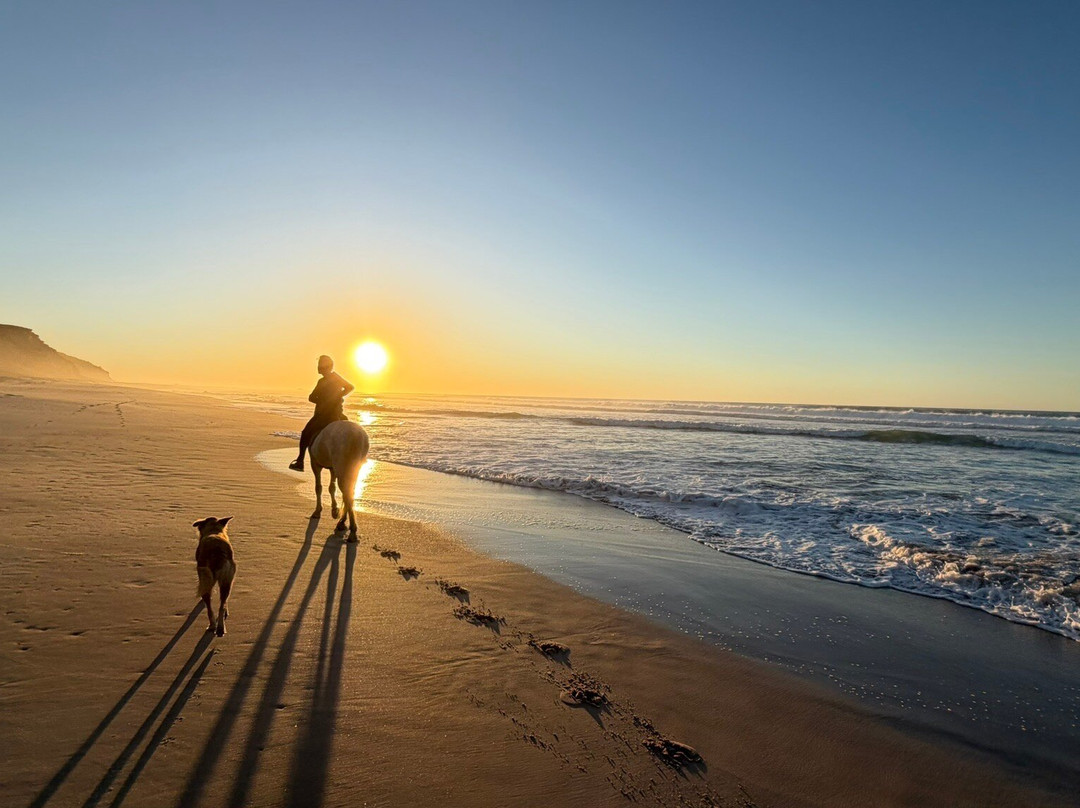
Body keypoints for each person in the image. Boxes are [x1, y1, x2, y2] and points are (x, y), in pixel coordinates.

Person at [289, 355, 354, 472]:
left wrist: (324, 399)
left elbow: (311, 397)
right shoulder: (336, 378)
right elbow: (350, 387)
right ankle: (352, 459)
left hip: (322, 416)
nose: (319, 368)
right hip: (338, 414)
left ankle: (300, 461)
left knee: (305, 434)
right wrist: (338, 396)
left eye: (320, 365)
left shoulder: (322, 381)